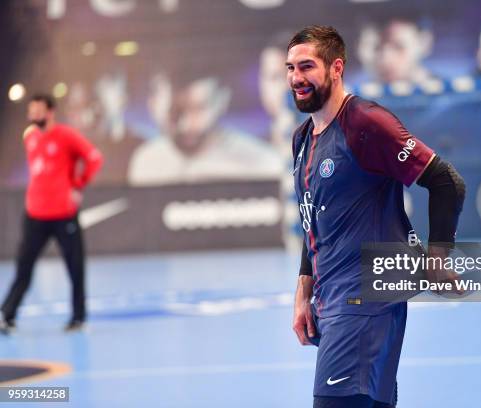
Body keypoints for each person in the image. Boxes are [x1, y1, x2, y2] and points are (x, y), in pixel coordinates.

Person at [287, 26, 465, 408]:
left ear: (336, 68)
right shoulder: (303, 138)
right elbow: (312, 219)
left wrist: (437, 258)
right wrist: (304, 292)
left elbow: (446, 182)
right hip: (333, 303)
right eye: (290, 68)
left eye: (306, 67)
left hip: (365, 303)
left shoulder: (366, 123)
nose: (296, 78)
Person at [0, 94, 103, 334]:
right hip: (35, 214)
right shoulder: (30, 138)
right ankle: (7, 314)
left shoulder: (66, 136)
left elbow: (94, 158)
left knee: (74, 267)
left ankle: (78, 317)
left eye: (37, 111)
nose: (33, 115)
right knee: (24, 266)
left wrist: (77, 185)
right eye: (31, 111)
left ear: (50, 112)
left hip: (63, 214)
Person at [128, 77, 283, 185]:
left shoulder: (264, 163)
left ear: (222, 100)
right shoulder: (145, 161)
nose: (185, 124)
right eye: (174, 111)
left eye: (197, 109)